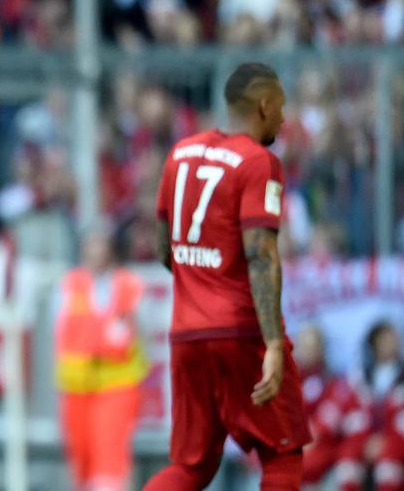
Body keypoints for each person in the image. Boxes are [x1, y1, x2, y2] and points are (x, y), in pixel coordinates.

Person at [144, 62, 311, 490]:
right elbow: (260, 254)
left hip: (186, 334)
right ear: (263, 105)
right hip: (240, 331)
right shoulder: (259, 163)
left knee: (191, 467)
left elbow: (165, 249)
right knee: (282, 453)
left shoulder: (179, 154)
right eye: (281, 108)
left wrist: (201, 280)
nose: (283, 118)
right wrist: (273, 343)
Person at [55, 227, 148, 491]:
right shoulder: (69, 285)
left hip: (116, 384)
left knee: (110, 459)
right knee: (81, 458)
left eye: (101, 246)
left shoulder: (129, 285)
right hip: (76, 387)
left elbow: (142, 332)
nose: (96, 253)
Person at [337, 321, 404, 491]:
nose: (391, 344)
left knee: (388, 470)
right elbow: (349, 411)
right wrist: (367, 440)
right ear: (374, 344)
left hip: (396, 437)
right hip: (363, 436)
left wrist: (384, 440)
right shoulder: (359, 375)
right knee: (347, 466)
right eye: (385, 340)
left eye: (393, 339)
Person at [293, 325, 353, 485]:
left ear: (322, 348)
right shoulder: (287, 378)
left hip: (321, 445)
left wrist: (312, 432)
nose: (308, 351)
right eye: (304, 346)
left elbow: (332, 412)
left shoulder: (333, 379)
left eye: (313, 346)